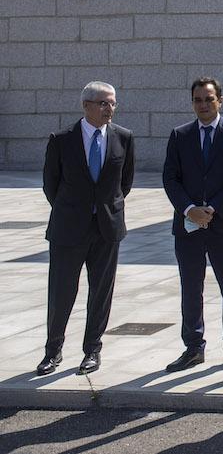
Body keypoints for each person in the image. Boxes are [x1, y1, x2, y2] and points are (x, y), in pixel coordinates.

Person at [37, 82, 135, 376]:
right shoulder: (62, 139)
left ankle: (92, 350)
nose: (110, 109)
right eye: (103, 103)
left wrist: (104, 209)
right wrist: (75, 210)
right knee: (61, 292)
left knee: (101, 292)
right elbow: (50, 184)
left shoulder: (124, 138)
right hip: (69, 229)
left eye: (113, 103)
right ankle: (52, 351)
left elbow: (125, 182)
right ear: (86, 106)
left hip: (106, 228)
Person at [161, 77, 223, 373]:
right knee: (191, 288)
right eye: (198, 100)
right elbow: (170, 178)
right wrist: (189, 210)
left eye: (208, 99)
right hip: (188, 227)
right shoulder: (180, 135)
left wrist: (211, 209)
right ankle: (193, 347)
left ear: (220, 101)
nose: (203, 104)